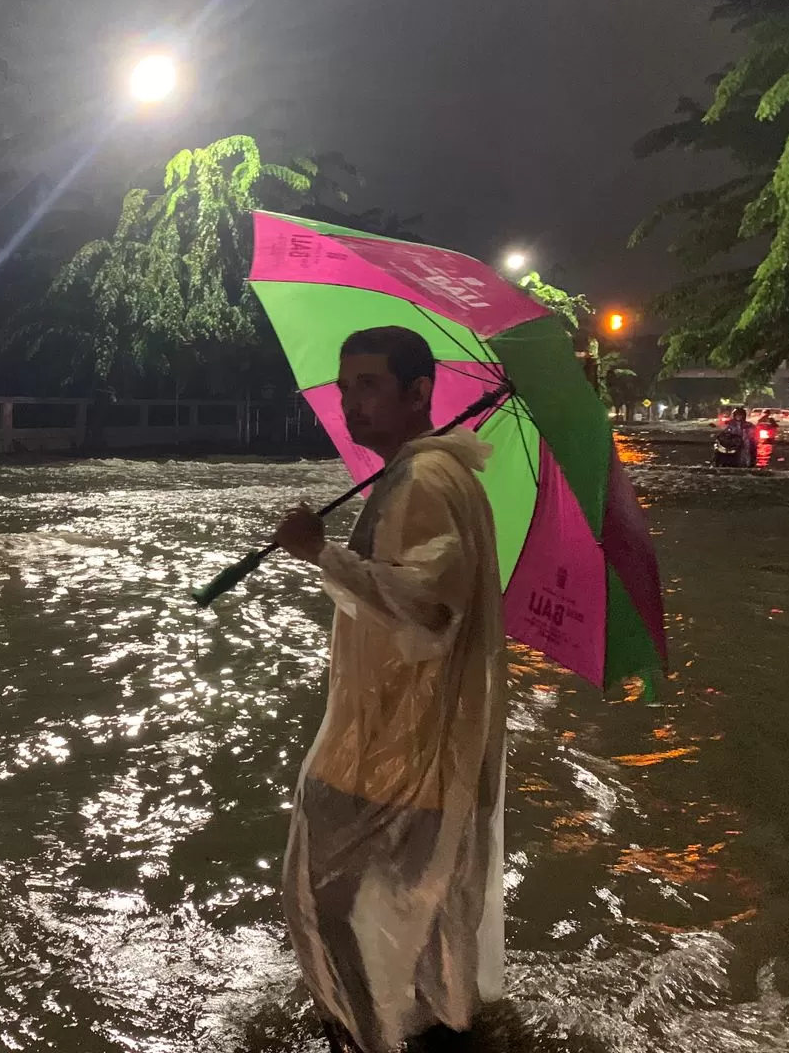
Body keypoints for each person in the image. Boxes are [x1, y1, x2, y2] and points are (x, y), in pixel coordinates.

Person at [272, 326, 506, 1053]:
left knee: (321, 894)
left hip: (394, 743)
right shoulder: (424, 474)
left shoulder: (424, 480)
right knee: (425, 904)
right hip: (417, 739)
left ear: (417, 394)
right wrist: (331, 557)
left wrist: (321, 554)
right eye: (345, 390)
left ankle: (365, 1033)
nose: (351, 404)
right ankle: (432, 1026)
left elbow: (428, 607)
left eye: (368, 387)